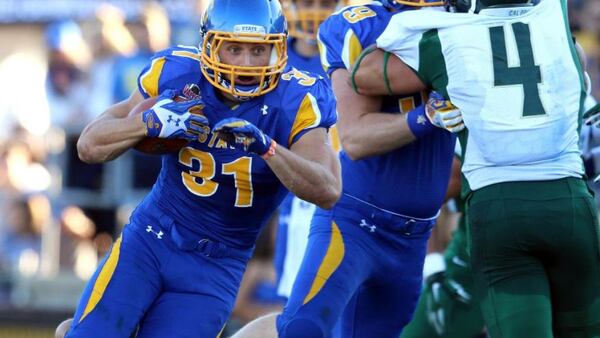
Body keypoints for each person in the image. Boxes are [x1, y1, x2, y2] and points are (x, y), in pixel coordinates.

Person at [63, 0, 341, 337]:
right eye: (234, 49)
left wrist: (268, 148)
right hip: (151, 239)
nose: (246, 64)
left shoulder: (297, 99)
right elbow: (89, 146)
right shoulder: (178, 73)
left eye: (257, 51)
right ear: (210, 45)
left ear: (278, 50)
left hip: (216, 265)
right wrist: (150, 123)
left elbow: (327, 189)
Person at [351, 0, 600, 336]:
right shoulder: (553, 15)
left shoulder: (445, 37)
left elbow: (362, 75)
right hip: (572, 203)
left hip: (500, 210)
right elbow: (578, 58)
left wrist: (426, 20)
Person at [231, 1, 460, 337]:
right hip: (354, 223)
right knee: (301, 329)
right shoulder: (361, 25)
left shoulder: (468, 19)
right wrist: (425, 117)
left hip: (414, 235)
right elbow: (354, 139)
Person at [274, 0, 344, 302]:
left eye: (325, 2)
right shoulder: (269, 55)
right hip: (298, 192)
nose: (314, 10)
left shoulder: (354, 49)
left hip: (354, 184)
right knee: (297, 306)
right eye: (305, 2)